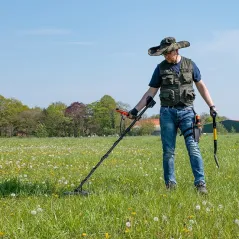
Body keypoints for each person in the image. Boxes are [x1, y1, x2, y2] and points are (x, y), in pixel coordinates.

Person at [128, 37, 217, 194]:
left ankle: (200, 184)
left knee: (193, 147)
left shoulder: (190, 65)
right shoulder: (160, 68)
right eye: (163, 54)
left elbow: (201, 86)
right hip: (167, 113)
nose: (165, 57)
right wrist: (135, 110)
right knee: (168, 150)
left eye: (167, 53)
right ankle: (170, 185)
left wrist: (211, 106)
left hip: (187, 112)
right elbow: (151, 92)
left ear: (176, 51)